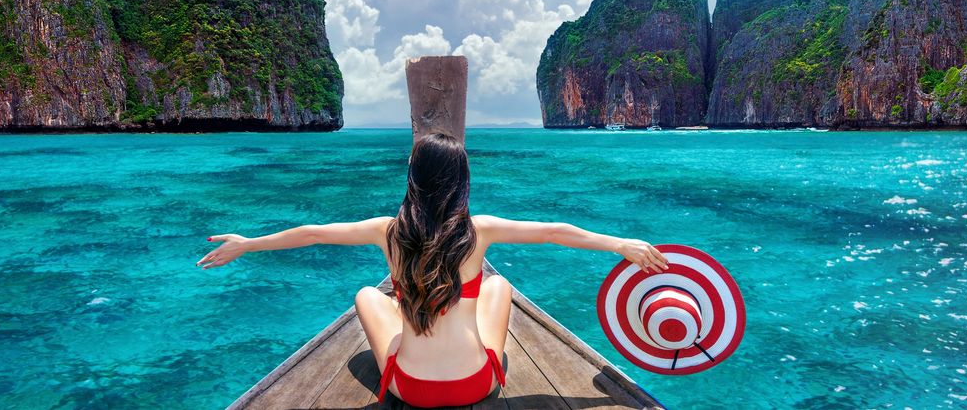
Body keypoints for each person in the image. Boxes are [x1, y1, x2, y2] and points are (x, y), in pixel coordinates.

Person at [197, 132, 669, 408]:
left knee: (367, 294)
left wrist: (248, 244)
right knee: (498, 284)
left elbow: (313, 232)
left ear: (412, 173)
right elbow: (553, 231)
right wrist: (618, 244)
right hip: (476, 382)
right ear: (461, 180)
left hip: (409, 389)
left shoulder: (388, 231)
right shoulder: (478, 230)